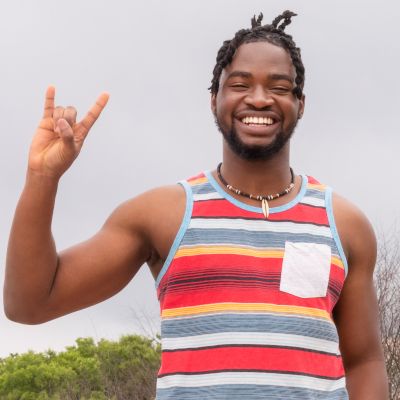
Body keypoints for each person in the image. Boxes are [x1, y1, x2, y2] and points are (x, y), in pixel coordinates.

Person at [4, 10, 388, 399]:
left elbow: (364, 361)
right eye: (239, 84)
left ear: (300, 102)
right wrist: (42, 178)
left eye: (278, 86)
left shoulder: (343, 224)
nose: (258, 99)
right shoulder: (163, 215)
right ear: (214, 99)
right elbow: (30, 304)